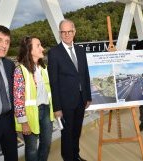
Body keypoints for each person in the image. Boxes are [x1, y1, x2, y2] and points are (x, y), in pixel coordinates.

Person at [47, 19, 92, 161]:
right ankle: (68, 158)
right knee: (67, 133)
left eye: (69, 31)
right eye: (63, 32)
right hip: (65, 103)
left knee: (77, 131)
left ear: (74, 32)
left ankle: (75, 155)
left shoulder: (80, 50)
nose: (66, 35)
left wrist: (88, 96)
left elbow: (85, 74)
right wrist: (57, 107)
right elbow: (53, 83)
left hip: (81, 100)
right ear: (60, 33)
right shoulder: (54, 53)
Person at [14, 36, 54, 161]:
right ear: (29, 49)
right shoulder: (20, 70)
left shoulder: (43, 68)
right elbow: (18, 99)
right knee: (31, 148)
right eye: (38, 45)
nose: (42, 48)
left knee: (46, 144)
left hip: (46, 110)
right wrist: (24, 122)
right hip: (30, 115)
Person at [0, 25, 18, 161]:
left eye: (7, 42)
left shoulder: (9, 65)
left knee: (12, 156)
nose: (4, 45)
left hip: (8, 121)